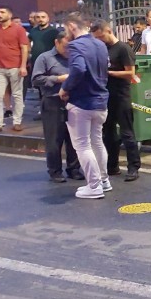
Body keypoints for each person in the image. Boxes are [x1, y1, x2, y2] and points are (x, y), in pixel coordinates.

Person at [58, 13, 110, 199]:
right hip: (101, 100)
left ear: (72, 26)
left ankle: (94, 186)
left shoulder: (76, 45)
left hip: (82, 102)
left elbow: (79, 69)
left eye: (66, 28)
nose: (66, 33)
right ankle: (104, 181)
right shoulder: (100, 44)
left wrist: (65, 88)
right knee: (97, 142)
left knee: (82, 145)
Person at [90, 20, 140, 181]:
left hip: (121, 95)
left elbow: (130, 73)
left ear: (109, 31)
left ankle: (133, 167)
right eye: (96, 38)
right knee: (108, 133)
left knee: (127, 132)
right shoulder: (102, 49)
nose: (99, 40)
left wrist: (109, 73)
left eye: (100, 36)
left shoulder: (123, 49)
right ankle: (112, 166)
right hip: (106, 95)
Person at [32, 31, 83, 183]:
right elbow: (36, 79)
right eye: (65, 47)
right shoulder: (45, 58)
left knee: (74, 138)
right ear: (57, 42)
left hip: (74, 101)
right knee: (54, 139)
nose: (68, 50)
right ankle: (55, 170)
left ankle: (74, 169)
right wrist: (58, 79)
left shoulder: (76, 57)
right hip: (52, 101)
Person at [0, 6, 29, 134]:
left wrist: (23, 66)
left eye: (2, 12)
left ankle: (17, 122)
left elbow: (24, 48)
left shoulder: (18, 29)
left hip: (15, 67)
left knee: (17, 95)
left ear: (9, 15)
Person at [28, 11, 59, 120]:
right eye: (38, 17)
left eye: (43, 17)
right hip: (36, 62)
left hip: (51, 62)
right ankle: (43, 110)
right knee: (40, 87)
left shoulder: (53, 31)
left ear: (48, 18)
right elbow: (28, 43)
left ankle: (53, 110)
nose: (41, 19)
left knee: (51, 85)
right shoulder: (33, 31)